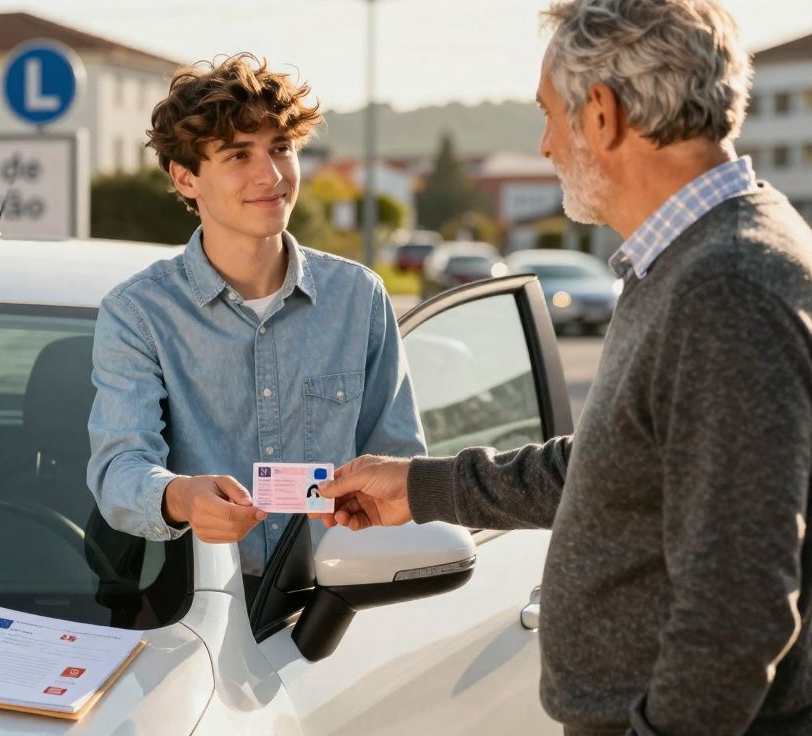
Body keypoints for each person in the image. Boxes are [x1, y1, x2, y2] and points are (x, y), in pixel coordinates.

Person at [318, 1, 812, 734]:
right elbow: (619, 468)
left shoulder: (726, 282)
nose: (547, 145)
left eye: (550, 114)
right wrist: (420, 488)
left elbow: (738, 606)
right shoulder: (689, 259)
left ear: (604, 115)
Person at [86, 53, 425, 587]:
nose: (270, 176)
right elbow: (119, 470)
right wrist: (181, 496)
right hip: (191, 610)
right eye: (238, 154)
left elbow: (401, 462)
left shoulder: (359, 298)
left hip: (337, 609)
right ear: (185, 178)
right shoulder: (138, 314)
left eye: (280, 149)